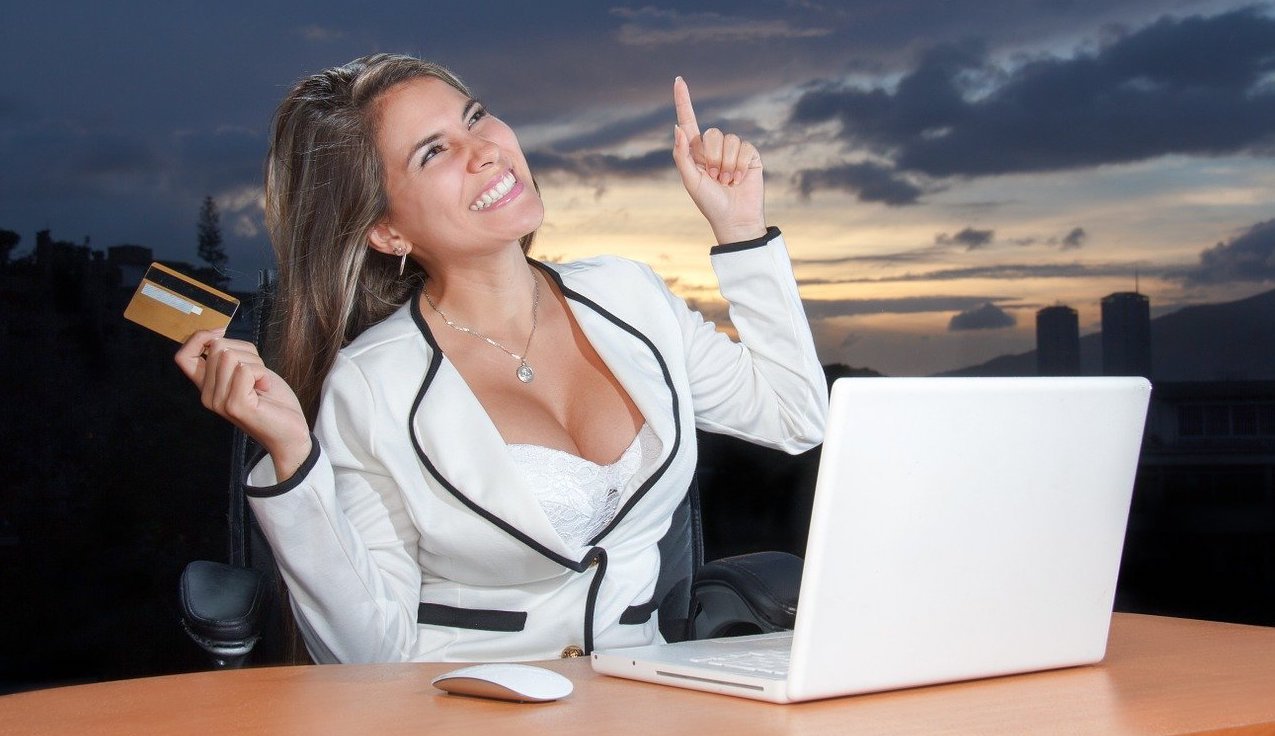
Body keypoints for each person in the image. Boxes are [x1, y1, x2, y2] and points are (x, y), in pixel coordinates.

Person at [176, 53, 827, 664]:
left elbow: (795, 417)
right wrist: (294, 461)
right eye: (435, 152)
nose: (485, 151)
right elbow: (369, 654)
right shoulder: (372, 386)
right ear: (388, 231)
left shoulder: (629, 295)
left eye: (475, 116)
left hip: (645, 700)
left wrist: (740, 232)